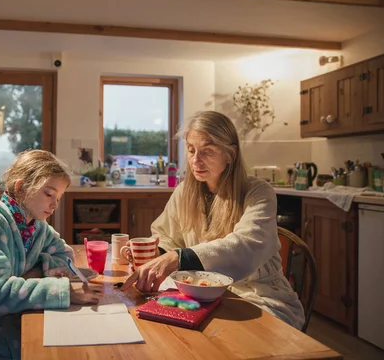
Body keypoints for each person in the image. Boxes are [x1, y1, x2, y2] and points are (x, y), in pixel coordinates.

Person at [121, 111, 305, 330]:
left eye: (207, 151)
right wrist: (154, 254)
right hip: (201, 293)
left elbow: (246, 244)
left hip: (257, 296)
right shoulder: (184, 192)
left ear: (231, 154)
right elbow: (169, 237)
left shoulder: (257, 192)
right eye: (191, 150)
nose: (195, 160)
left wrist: (177, 258)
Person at [0, 150, 103, 359]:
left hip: (14, 336)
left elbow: (66, 257)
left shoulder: (36, 226)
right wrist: (63, 291)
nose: (55, 205)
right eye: (49, 194)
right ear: (21, 188)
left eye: (59, 197)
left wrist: (35, 271)